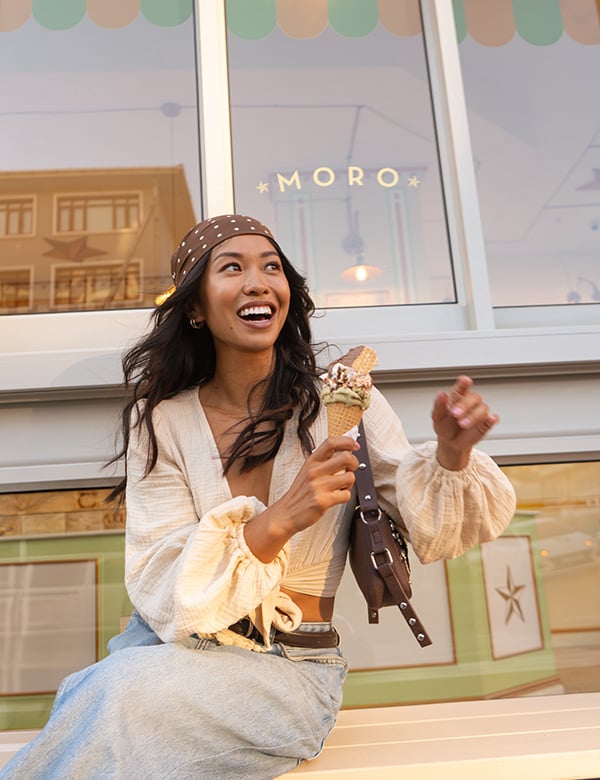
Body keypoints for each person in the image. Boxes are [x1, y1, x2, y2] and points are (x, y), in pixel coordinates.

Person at [1, 214, 516, 779]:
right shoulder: (164, 421)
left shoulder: (339, 403)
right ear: (196, 308)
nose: (257, 281)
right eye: (232, 268)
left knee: (121, 695)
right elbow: (161, 583)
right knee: (100, 694)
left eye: (272, 268)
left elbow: (435, 526)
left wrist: (451, 454)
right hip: (165, 652)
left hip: (289, 670)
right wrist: (284, 516)